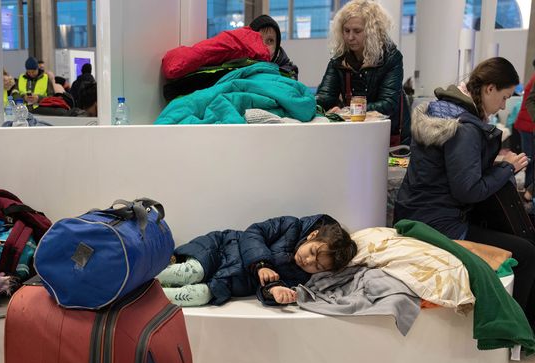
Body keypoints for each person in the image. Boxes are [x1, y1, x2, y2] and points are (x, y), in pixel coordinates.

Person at [394, 57, 535, 327]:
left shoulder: (442, 111)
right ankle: (518, 331)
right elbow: (468, 190)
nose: (504, 106)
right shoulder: (466, 128)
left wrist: (489, 164)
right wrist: (507, 169)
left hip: (419, 214)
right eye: (504, 97)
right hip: (441, 225)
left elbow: (448, 171)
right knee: (527, 253)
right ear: (489, 89)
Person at [156, 215, 357, 307]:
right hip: (221, 249)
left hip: (227, 281)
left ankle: (148, 298)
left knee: (200, 295)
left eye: (318, 266)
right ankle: (140, 277)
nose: (308, 261)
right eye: (312, 252)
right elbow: (253, 232)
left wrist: (274, 291)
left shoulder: (302, 275)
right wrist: (262, 264)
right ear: (313, 235)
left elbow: (267, 287)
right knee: (193, 272)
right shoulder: (291, 226)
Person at [316, 0, 411, 146]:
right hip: (355, 133)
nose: (350, 37)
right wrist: (307, 105)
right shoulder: (338, 61)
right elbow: (325, 97)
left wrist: (345, 112)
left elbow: (387, 104)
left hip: (389, 135)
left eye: (357, 31)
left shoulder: (391, 58)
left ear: (373, 31)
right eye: (346, 30)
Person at [249, 14, 299, 79]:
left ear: (276, 46)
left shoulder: (289, 74)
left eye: (270, 41)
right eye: (258, 40)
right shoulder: (237, 68)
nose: (264, 46)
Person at [514, 59, 535, 200]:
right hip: (527, 124)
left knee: (530, 158)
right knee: (530, 158)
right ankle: (528, 192)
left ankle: (529, 191)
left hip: (527, 123)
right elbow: (530, 101)